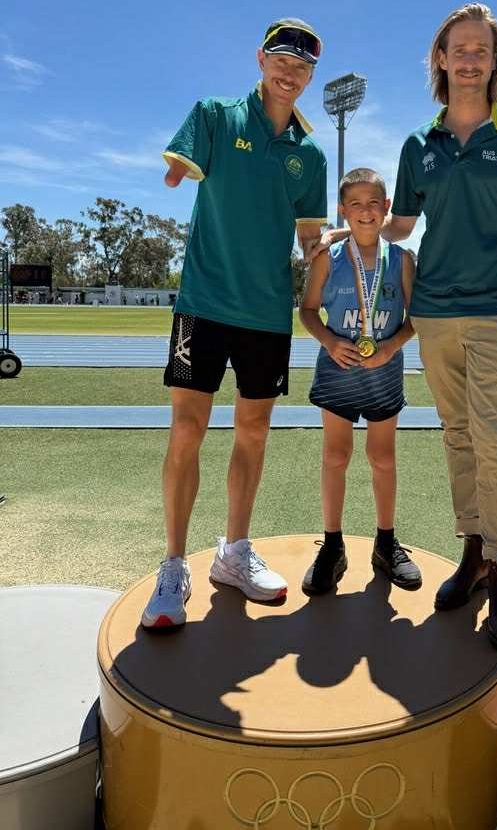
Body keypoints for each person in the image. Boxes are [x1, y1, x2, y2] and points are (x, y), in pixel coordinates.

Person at [317, 4, 497, 648]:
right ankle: (474, 553)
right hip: (432, 313)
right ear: (441, 59)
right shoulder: (418, 145)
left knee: (494, 441)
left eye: (481, 49)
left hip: (494, 310)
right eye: (460, 49)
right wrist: (354, 228)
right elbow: (402, 226)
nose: (469, 59)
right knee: (458, 437)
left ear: (495, 60)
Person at [141, 18, 327, 629]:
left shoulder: (311, 154)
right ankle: (173, 566)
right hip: (203, 304)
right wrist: (176, 170)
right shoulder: (217, 116)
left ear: (310, 77)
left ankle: (234, 552)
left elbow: (308, 238)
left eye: (302, 67)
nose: (290, 72)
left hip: (267, 314)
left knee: (253, 432)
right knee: (186, 431)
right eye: (281, 60)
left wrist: (337, 257)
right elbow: (180, 163)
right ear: (261, 60)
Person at [300, 168, 422, 595]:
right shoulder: (328, 258)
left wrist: (391, 347)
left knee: (382, 457)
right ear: (343, 210)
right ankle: (332, 546)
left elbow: (415, 319)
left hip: (384, 373)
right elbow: (307, 311)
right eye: (356, 204)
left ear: (386, 207)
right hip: (337, 371)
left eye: (373, 203)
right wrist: (330, 340)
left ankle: (385, 543)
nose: (365, 211)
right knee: (335, 456)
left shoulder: (402, 260)